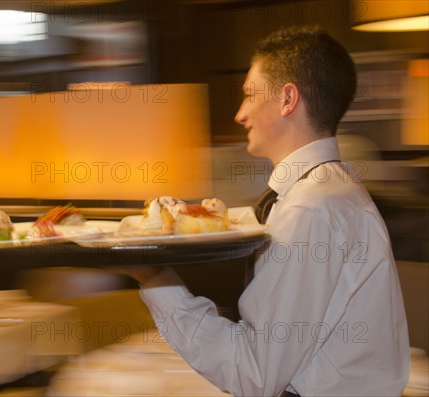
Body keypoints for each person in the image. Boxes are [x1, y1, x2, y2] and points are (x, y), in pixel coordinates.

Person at [122, 26, 410, 397]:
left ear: (288, 98)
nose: (240, 114)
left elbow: (254, 374)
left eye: (248, 96)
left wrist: (155, 277)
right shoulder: (324, 190)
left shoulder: (312, 206)